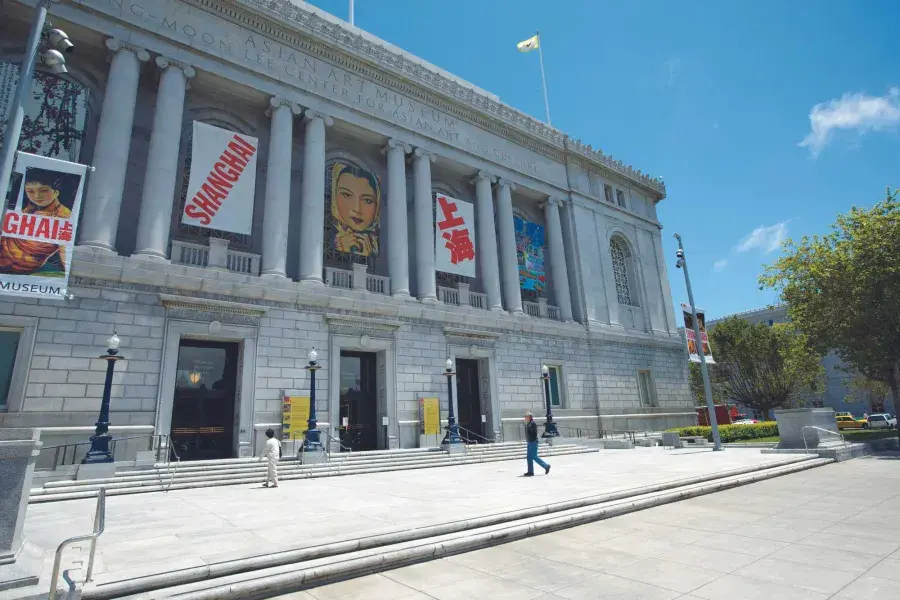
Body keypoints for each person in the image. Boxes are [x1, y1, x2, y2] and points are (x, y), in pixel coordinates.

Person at [0, 167, 72, 276]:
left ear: (56, 192)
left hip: (20, 264)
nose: (37, 196)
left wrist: (66, 273)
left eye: (43, 190)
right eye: (30, 191)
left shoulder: (63, 215)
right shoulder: (31, 207)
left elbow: (64, 249)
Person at [330, 162, 381, 256]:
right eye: (347, 195)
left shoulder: (378, 245)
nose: (357, 209)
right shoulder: (326, 236)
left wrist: (369, 256)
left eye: (367, 200)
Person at [524, 411, 550, 477]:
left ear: (529, 417)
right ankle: (530, 471)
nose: (525, 418)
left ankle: (546, 466)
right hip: (529, 442)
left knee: (534, 456)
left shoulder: (532, 423)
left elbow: (534, 433)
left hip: (533, 442)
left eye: (526, 416)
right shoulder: (528, 423)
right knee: (529, 457)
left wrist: (531, 438)